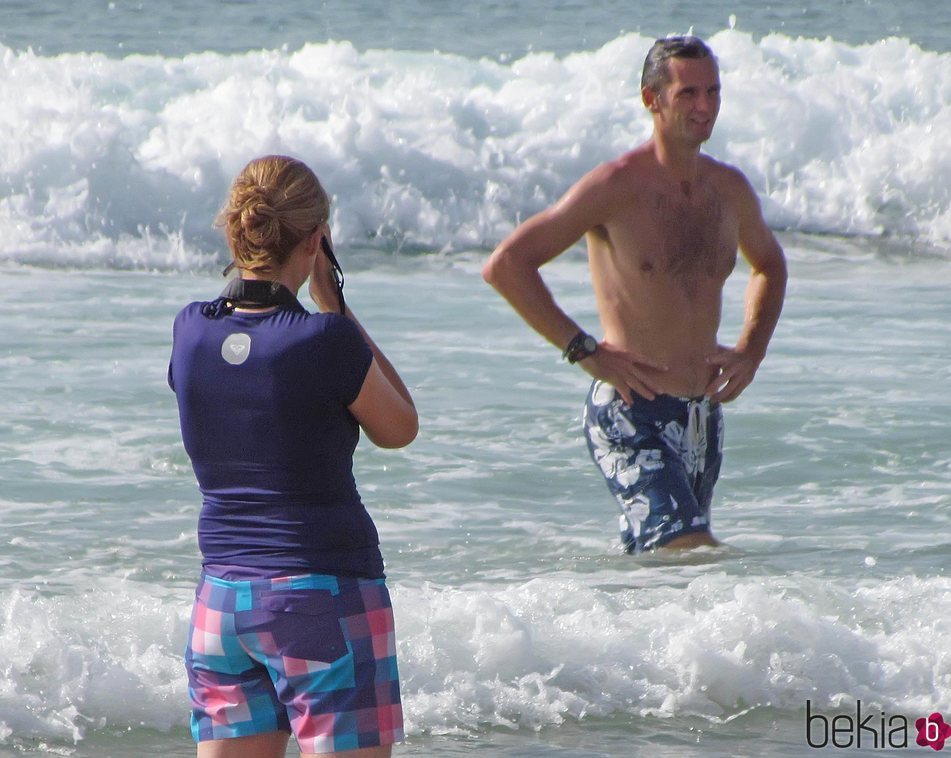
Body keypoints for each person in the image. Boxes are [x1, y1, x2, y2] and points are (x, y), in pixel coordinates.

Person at [482, 36, 787, 553]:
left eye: (713, 92)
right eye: (689, 93)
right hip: (630, 411)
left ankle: (607, 634)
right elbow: (507, 265)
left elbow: (770, 266)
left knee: (662, 574)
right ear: (652, 99)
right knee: (692, 553)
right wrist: (585, 350)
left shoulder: (729, 190)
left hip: (701, 418)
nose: (705, 106)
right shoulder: (617, 186)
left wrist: (751, 350)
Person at [169, 155, 418, 758]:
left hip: (222, 603)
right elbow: (400, 426)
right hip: (320, 596)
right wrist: (336, 306)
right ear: (317, 241)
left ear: (236, 232)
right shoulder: (325, 339)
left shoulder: (190, 331)